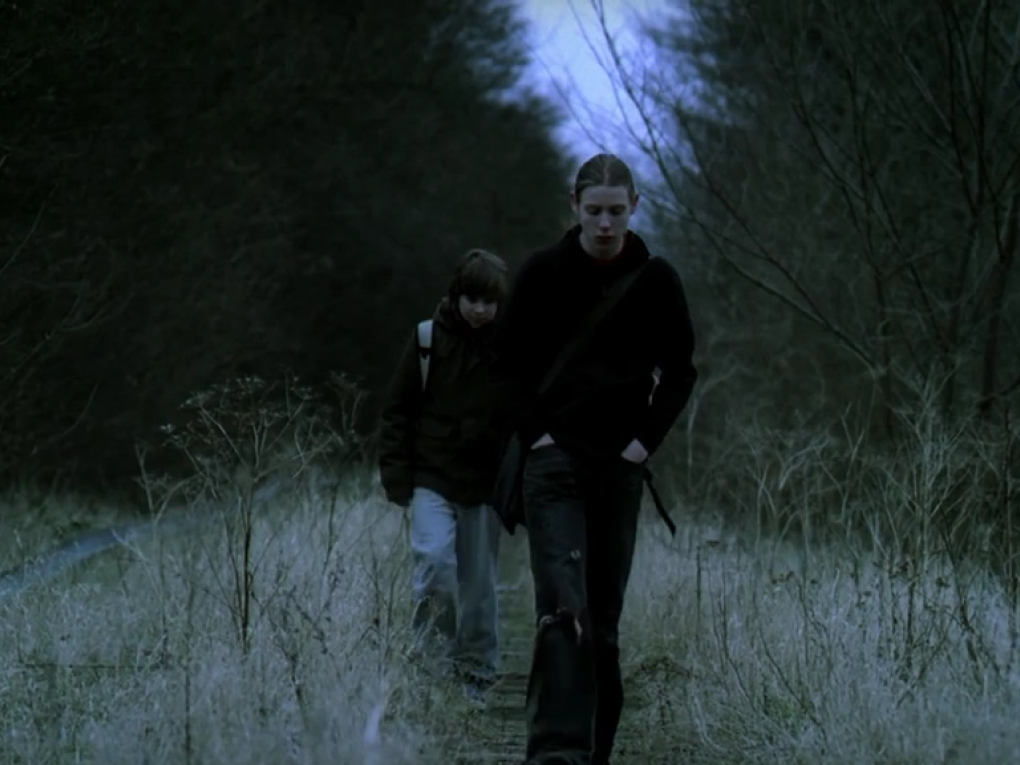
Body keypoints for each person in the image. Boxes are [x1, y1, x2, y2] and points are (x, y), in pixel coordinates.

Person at [489, 153, 697, 764]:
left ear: (634, 207)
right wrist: (537, 437)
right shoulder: (542, 273)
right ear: (574, 206)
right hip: (553, 466)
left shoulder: (656, 281)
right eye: (594, 210)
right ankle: (556, 755)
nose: (605, 223)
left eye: (616, 211)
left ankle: (595, 753)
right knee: (563, 613)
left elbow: (680, 372)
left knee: (602, 625)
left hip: (618, 469)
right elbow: (506, 365)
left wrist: (641, 444)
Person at [377, 248, 509, 702]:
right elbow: (397, 411)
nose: (479, 310)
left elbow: (523, 416)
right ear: (456, 296)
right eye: (472, 299)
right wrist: (397, 475)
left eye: (489, 302)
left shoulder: (511, 347)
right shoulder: (427, 340)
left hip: (485, 485)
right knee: (433, 565)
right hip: (431, 477)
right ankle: (431, 668)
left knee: (479, 583)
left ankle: (476, 669)